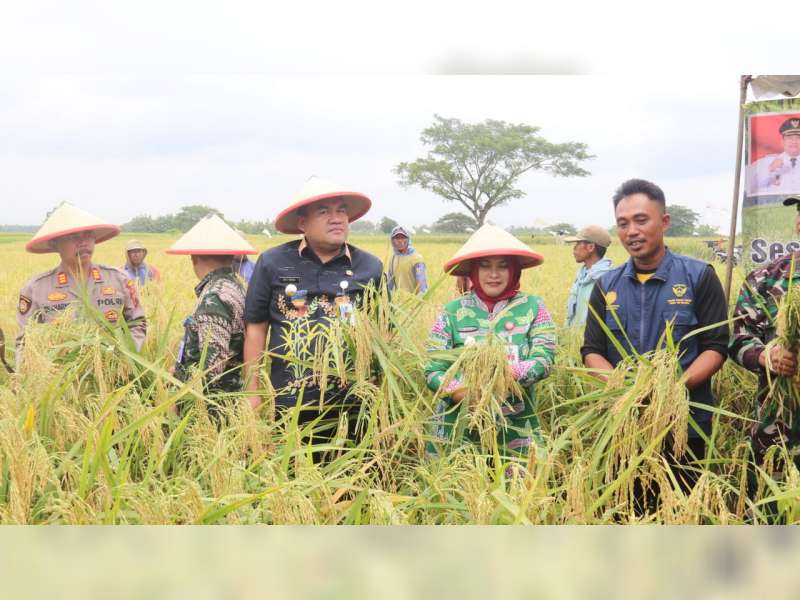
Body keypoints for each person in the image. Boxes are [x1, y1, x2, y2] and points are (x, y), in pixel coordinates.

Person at [581, 179, 729, 493]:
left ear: (664, 222)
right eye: (623, 223)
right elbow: (592, 350)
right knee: (625, 508)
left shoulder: (699, 276)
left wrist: (668, 390)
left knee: (682, 507)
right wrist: (625, 390)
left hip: (685, 426)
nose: (631, 231)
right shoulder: (605, 286)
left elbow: (716, 347)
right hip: (623, 426)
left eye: (641, 220)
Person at [242, 177, 383, 446]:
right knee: (291, 467)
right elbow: (256, 328)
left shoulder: (370, 267)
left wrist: (378, 391)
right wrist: (252, 391)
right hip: (290, 401)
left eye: (341, 211)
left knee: (351, 468)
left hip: (351, 405)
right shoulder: (273, 262)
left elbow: (381, 332)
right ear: (302, 223)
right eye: (324, 212)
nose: (336, 219)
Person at [424, 224, 556, 466]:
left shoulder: (534, 308)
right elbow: (432, 369)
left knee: (520, 487)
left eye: (502, 266)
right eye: (485, 266)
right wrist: (459, 391)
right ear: (473, 271)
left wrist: (504, 375)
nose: (493, 274)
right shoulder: (451, 313)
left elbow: (544, 360)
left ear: (514, 270)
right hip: (457, 434)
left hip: (516, 432)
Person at [16, 202, 146, 361]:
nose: (83, 242)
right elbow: (26, 341)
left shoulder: (119, 279)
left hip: (113, 369)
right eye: (74, 237)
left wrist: (124, 357)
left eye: (88, 234)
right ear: (55, 243)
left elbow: (138, 323)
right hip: (58, 373)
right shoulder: (36, 289)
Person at [729, 195, 800, 473]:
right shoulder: (766, 279)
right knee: (771, 497)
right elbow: (738, 337)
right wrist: (765, 356)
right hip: (778, 437)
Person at [166, 215, 256, 419]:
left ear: (194, 258)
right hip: (225, 402)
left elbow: (212, 369)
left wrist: (178, 381)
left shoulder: (214, 298)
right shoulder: (234, 285)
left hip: (210, 411)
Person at [563, 225, 613, 328]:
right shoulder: (582, 275)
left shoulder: (608, 280)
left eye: (578, 243)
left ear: (591, 247)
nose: (574, 248)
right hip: (573, 337)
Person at [748, 117, 800, 195]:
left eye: (798, 138)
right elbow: (749, 187)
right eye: (789, 138)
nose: (794, 142)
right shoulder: (766, 162)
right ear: (782, 141)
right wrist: (769, 169)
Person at [386, 225, 428, 295]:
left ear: (408, 239)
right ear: (392, 240)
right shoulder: (392, 259)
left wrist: (417, 300)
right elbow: (390, 285)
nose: (400, 241)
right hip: (397, 300)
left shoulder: (417, 259)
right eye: (396, 238)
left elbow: (421, 286)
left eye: (403, 237)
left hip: (412, 300)